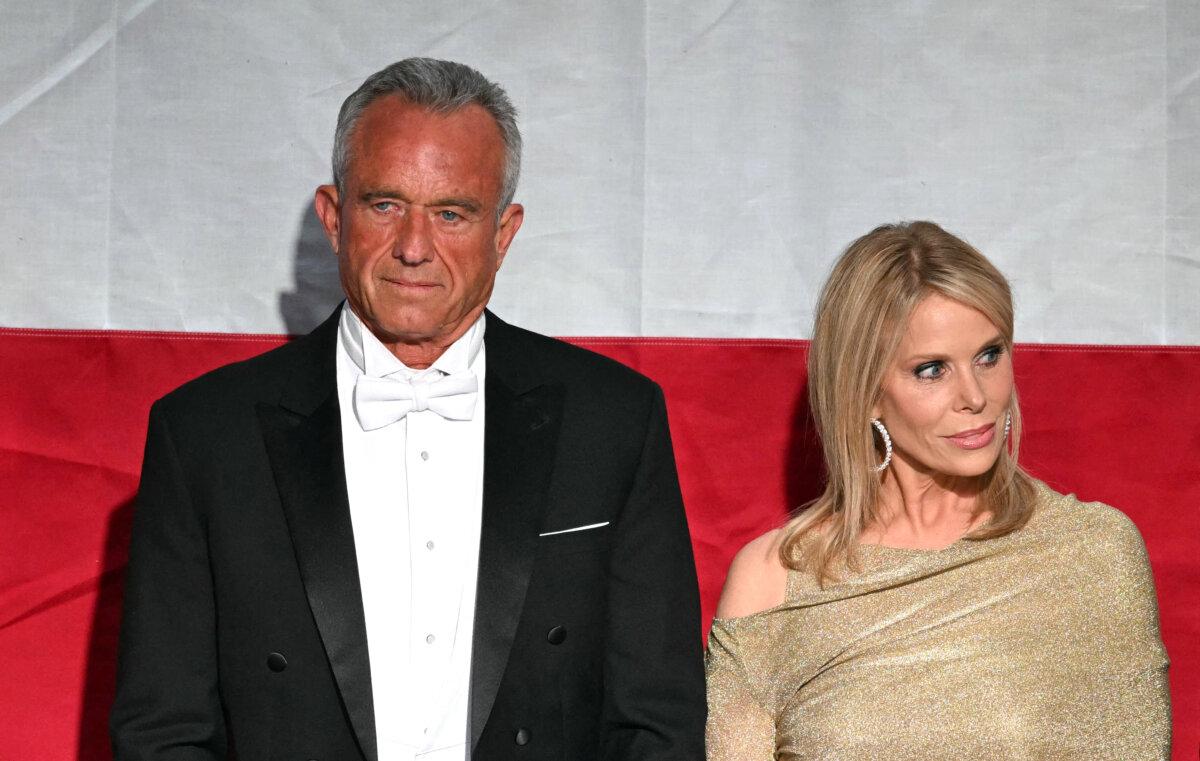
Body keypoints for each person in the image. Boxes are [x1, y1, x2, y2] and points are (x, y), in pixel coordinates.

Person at [110, 58, 705, 760]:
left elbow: (658, 724)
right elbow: (163, 733)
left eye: (451, 213)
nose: (414, 248)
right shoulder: (206, 436)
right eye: (385, 204)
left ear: (504, 234)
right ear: (335, 218)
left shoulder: (613, 421)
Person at [706, 221, 1171, 759]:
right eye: (931, 370)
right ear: (865, 393)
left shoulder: (1093, 550)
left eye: (989, 355)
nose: (975, 396)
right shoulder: (774, 580)